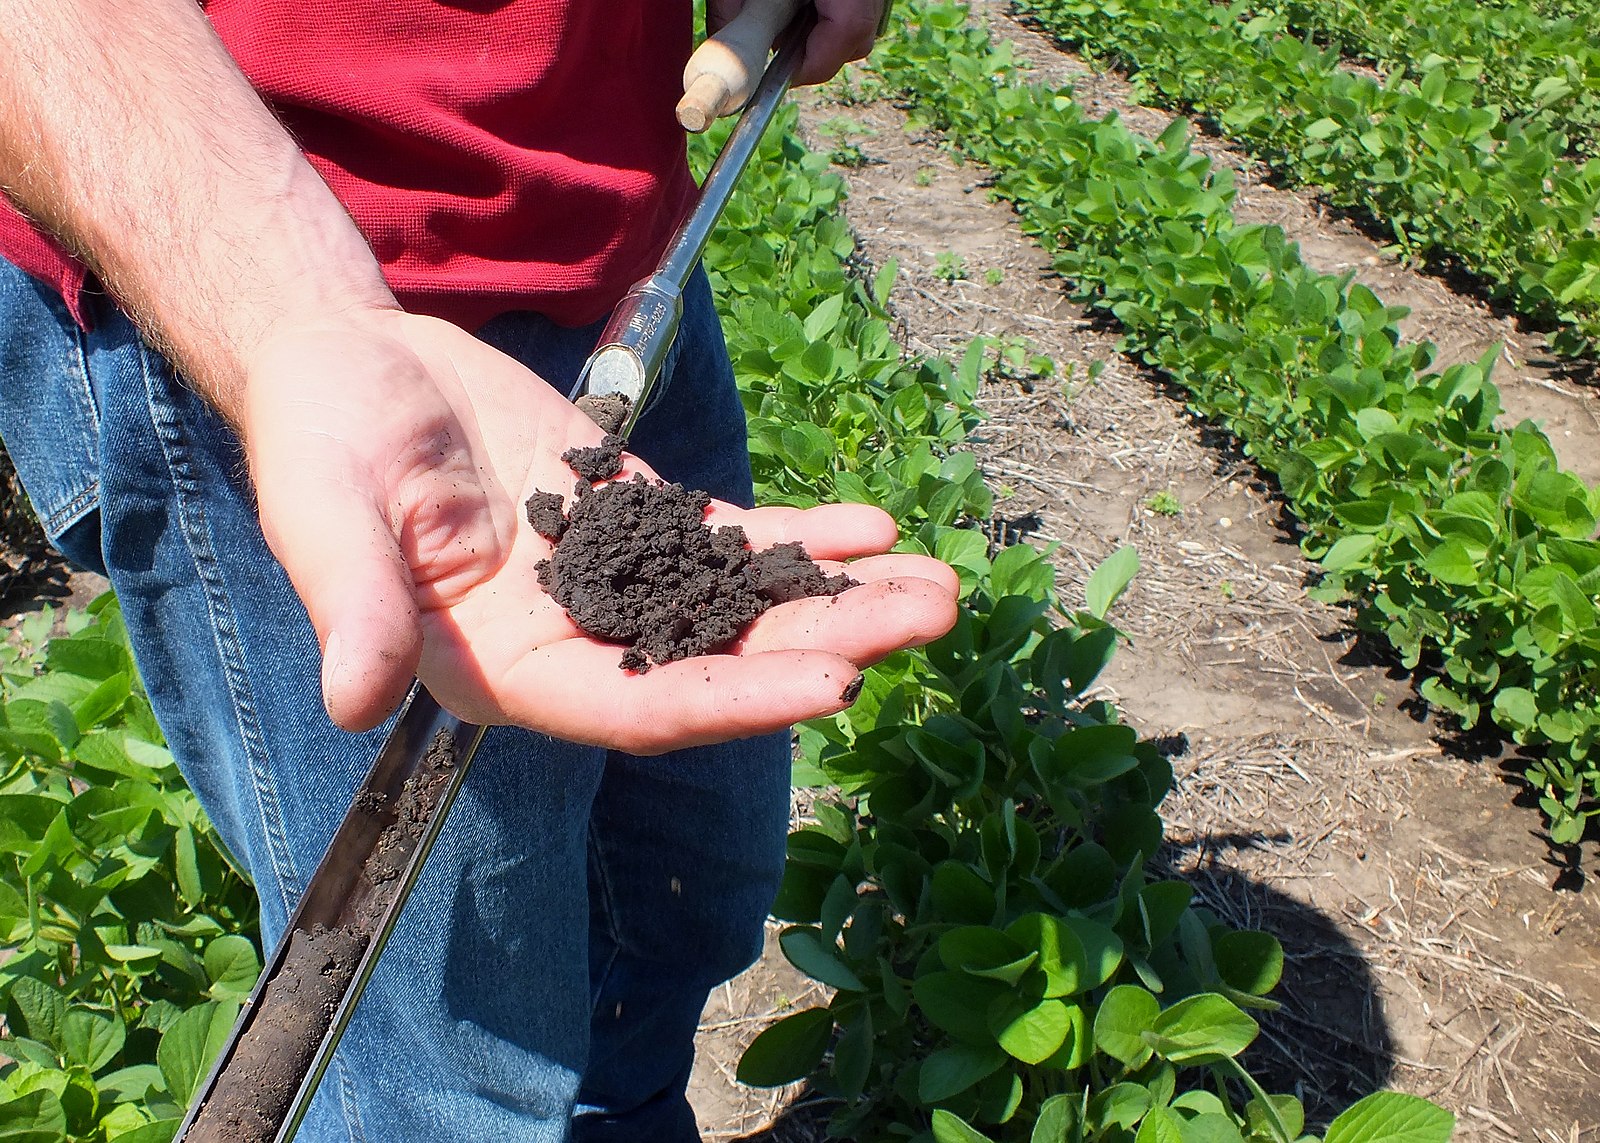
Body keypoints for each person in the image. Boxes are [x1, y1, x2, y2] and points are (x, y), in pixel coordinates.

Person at [0, 1, 956, 1139]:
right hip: (245, 287)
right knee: (444, 1071)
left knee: (681, 907)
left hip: (617, 235)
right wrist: (297, 320)